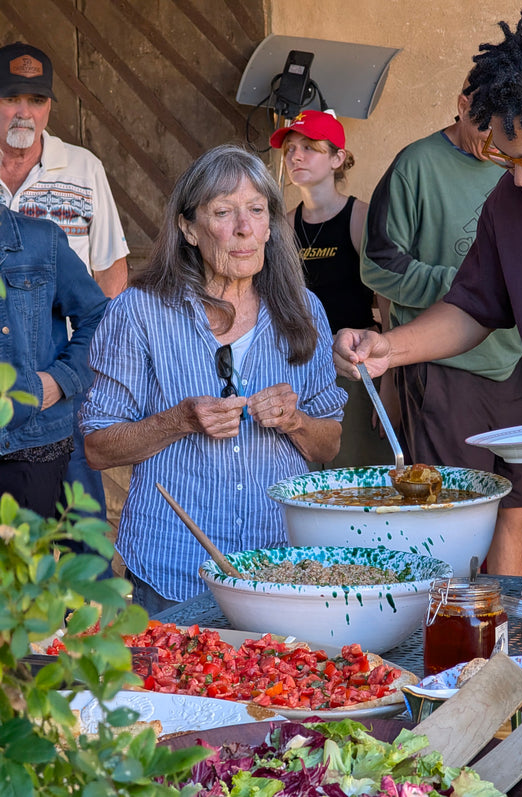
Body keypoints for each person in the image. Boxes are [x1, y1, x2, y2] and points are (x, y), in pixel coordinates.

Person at [333, 9, 522, 529]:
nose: (520, 179)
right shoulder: (511, 202)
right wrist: (390, 348)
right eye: (506, 158)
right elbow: (474, 306)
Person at [80, 144, 346, 614]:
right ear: (189, 228)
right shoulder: (140, 312)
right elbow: (98, 448)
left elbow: (329, 445)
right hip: (174, 567)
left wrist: (295, 421)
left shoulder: (304, 311)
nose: (244, 228)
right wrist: (179, 420)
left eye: (256, 211)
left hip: (277, 568)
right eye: (223, 212)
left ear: (270, 225)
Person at [359, 79, 522, 575]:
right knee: (455, 510)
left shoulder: (518, 168)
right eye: (487, 127)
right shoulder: (416, 165)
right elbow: (378, 264)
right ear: (462, 105)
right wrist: (467, 287)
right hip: (441, 363)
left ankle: (504, 621)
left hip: (515, 363)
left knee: (521, 506)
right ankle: (449, 621)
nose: (497, 146)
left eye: (510, 135)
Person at [0, 41, 129, 521]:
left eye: (37, 100)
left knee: (83, 532)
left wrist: (76, 377)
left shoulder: (83, 168)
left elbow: (111, 280)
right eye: (11, 98)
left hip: (66, 389)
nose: (24, 112)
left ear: (50, 107)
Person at [270, 109, 391, 467]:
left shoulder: (360, 217)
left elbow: (388, 303)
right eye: (291, 149)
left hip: (354, 367)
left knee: (355, 473)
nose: (296, 156)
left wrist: (392, 384)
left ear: (338, 158)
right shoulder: (283, 227)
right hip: (302, 369)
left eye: (309, 147)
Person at [0, 191, 108, 518]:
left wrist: (60, 380)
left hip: (29, 444)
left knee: (24, 551)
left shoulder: (41, 241)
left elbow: (99, 317)